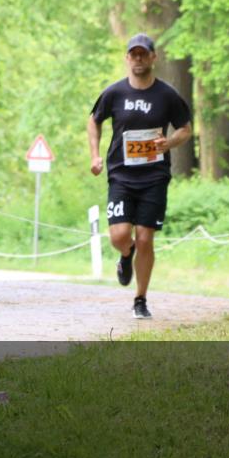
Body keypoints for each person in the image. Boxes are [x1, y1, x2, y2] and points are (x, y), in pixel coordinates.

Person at [88, 33, 192, 320]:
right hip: (121, 175)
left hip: (154, 176)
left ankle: (140, 298)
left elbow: (185, 128)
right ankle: (126, 255)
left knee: (146, 239)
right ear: (127, 58)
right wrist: (95, 155)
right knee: (119, 236)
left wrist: (168, 143)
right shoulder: (114, 93)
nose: (138, 59)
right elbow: (94, 121)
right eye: (133, 54)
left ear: (153, 58)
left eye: (143, 54)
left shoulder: (167, 95)